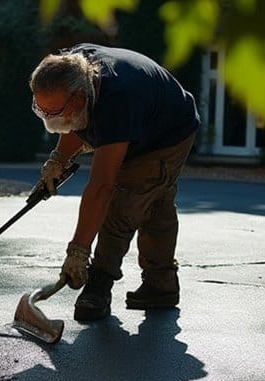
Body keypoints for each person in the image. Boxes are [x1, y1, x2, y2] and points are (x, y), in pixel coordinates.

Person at [30, 43, 200, 321]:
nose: (51, 119)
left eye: (55, 112)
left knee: (125, 202)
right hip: (144, 115)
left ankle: (99, 283)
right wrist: (58, 159)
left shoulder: (117, 99)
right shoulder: (72, 68)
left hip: (169, 133)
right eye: (44, 112)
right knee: (154, 200)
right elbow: (73, 119)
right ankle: (162, 284)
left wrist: (78, 252)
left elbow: (101, 187)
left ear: (79, 96)